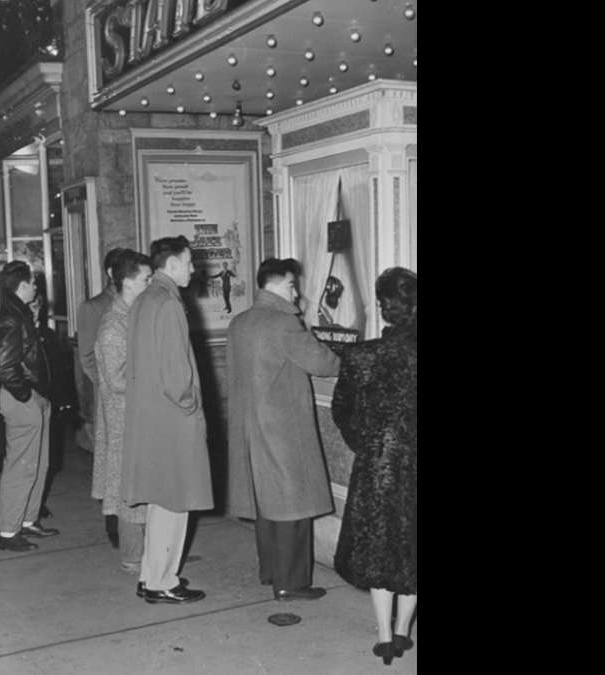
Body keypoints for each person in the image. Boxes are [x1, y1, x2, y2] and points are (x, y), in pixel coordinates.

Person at [226, 258, 340, 601]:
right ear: (278, 285)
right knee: (293, 506)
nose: (297, 292)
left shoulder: (240, 322)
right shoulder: (284, 324)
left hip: (252, 425)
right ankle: (291, 583)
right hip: (283, 428)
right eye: (293, 285)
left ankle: (271, 571)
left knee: (267, 505)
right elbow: (323, 363)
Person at [331, 267, 417, 666]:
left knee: (380, 550)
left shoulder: (361, 356)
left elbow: (342, 412)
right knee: (412, 548)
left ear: (382, 307)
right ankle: (404, 632)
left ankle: (384, 638)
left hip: (378, 467)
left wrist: (367, 446)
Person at [121, 235, 212, 604]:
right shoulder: (170, 303)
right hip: (173, 420)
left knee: (162, 503)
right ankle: (163, 582)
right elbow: (177, 375)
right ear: (171, 264)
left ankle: (151, 575)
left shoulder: (145, 299)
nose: (194, 269)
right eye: (189, 262)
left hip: (150, 417)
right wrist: (191, 408)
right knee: (176, 504)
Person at [92, 250, 154, 574]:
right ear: (128, 282)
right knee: (129, 492)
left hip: (136, 417)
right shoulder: (113, 326)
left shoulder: (130, 317)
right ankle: (133, 557)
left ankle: (142, 554)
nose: (150, 283)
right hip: (125, 420)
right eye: (146, 278)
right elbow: (118, 380)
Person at [0, 261, 60, 552]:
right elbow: (6, 368)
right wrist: (27, 396)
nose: (36, 286)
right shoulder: (11, 318)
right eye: (33, 282)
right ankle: (8, 532)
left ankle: (27, 520)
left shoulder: (18, 313)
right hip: (23, 399)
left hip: (34, 398)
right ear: (21, 286)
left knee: (38, 465)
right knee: (21, 467)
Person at [77, 248, 128, 544]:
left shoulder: (137, 304)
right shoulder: (93, 308)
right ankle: (114, 526)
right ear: (112, 274)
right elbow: (86, 357)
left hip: (129, 397)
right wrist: (106, 385)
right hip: (107, 398)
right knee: (111, 464)